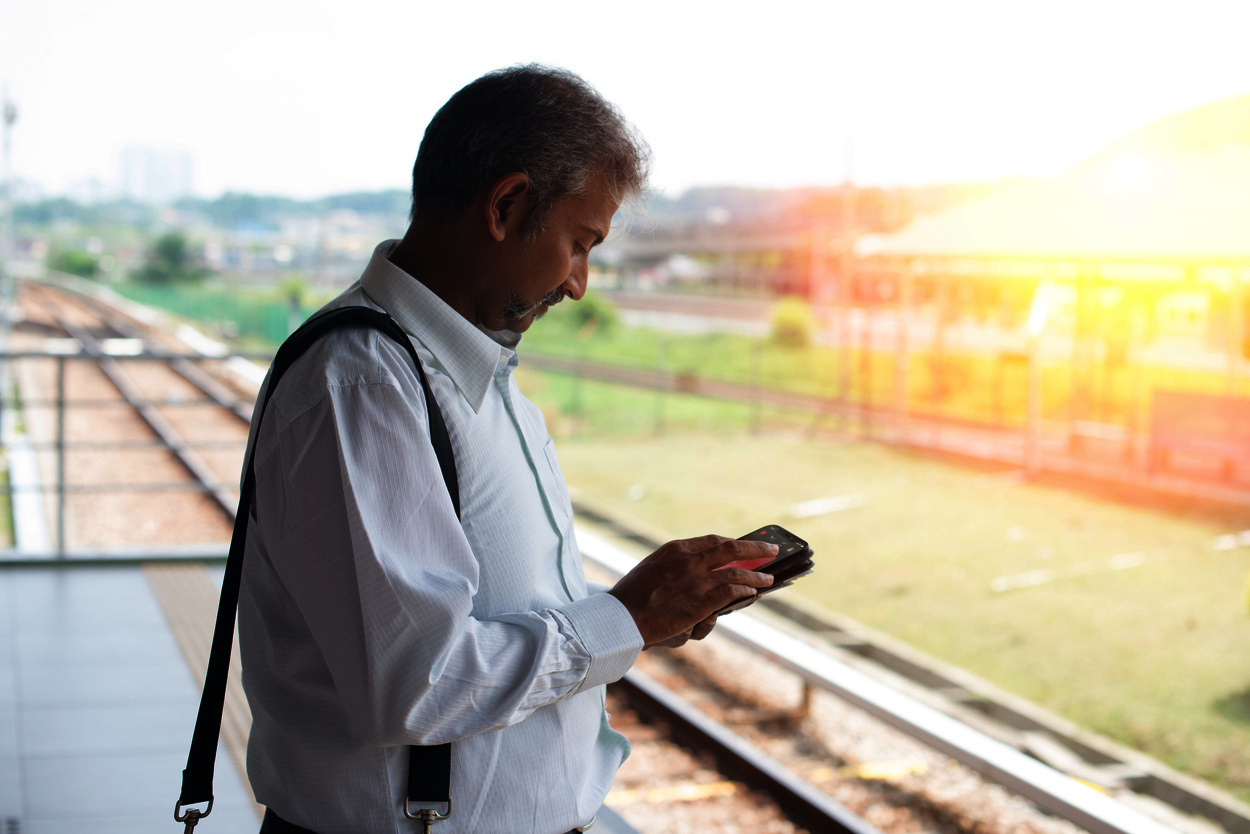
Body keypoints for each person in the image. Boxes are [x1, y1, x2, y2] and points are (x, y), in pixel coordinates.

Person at [238, 64, 777, 834]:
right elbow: (417, 683)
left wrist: (646, 616)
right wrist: (624, 615)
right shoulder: (360, 385)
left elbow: (501, 614)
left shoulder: (467, 372)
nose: (580, 282)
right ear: (507, 205)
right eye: (579, 243)